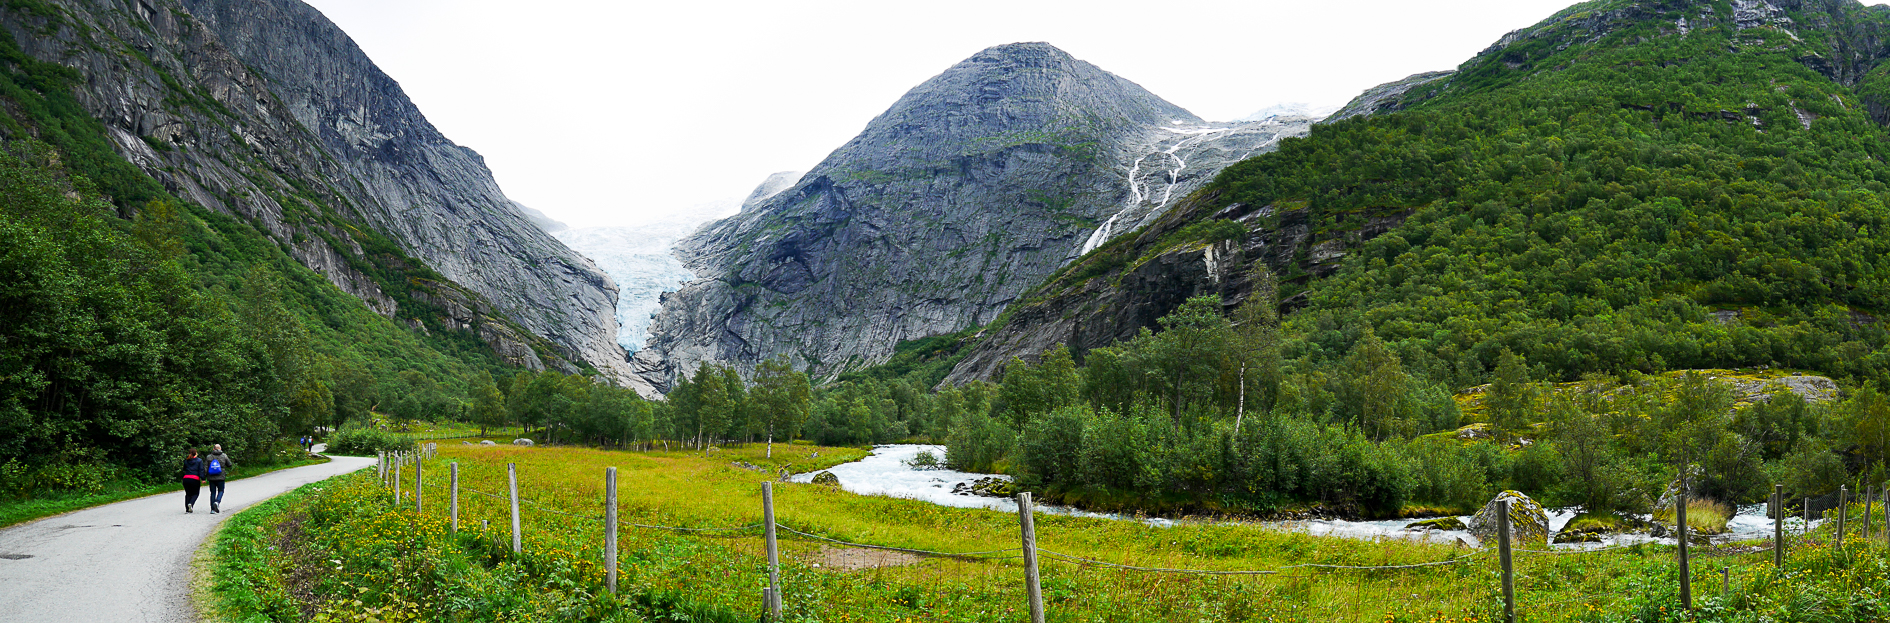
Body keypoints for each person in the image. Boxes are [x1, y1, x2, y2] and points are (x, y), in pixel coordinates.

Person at [204, 444, 234, 514]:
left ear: (213, 449)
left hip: (211, 477)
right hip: (221, 476)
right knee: (221, 490)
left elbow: (205, 467)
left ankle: (212, 509)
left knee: (213, 492)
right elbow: (229, 464)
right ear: (220, 449)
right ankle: (217, 502)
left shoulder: (209, 457)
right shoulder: (224, 456)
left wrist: (204, 477)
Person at [181, 448, 205, 513]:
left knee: (188, 494)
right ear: (196, 453)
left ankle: (187, 509)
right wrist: (203, 478)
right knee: (195, 493)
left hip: (186, 478)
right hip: (194, 479)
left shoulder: (186, 461)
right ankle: (191, 504)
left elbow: (184, 469)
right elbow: (201, 470)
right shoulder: (199, 460)